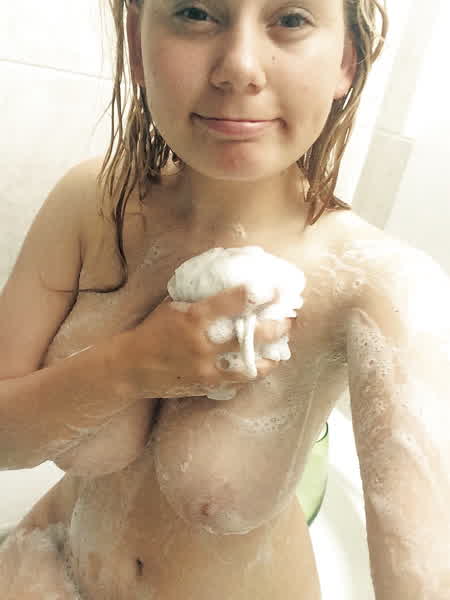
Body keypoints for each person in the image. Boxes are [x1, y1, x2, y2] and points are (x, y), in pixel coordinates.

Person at [1, 0, 449, 598]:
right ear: (137, 43)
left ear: (347, 58)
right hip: (50, 562)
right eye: (195, 12)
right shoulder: (91, 201)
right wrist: (134, 365)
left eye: (290, 19)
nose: (239, 67)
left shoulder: (379, 284)